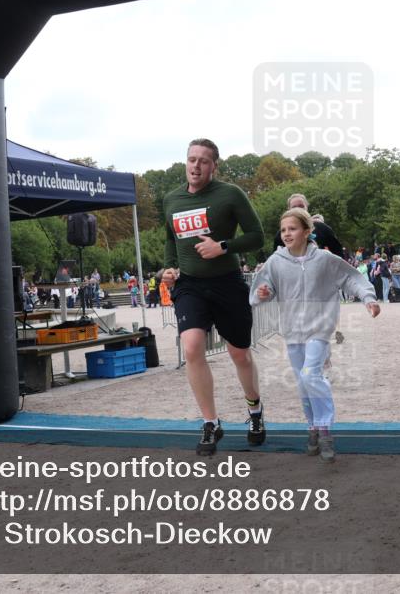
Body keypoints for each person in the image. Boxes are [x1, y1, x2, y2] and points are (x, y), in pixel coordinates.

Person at [161, 138, 266, 456]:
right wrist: (169, 267)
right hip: (190, 285)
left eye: (203, 161)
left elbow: (257, 236)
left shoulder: (230, 194)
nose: (195, 165)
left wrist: (222, 246)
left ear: (213, 166)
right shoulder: (171, 198)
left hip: (227, 283)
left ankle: (255, 411)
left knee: (240, 354)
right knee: (192, 347)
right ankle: (211, 422)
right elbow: (170, 237)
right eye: (191, 159)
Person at [251, 207, 380, 462]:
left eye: (293, 229)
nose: (287, 234)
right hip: (291, 331)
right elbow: (261, 290)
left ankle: (325, 430)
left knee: (311, 375)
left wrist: (368, 298)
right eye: (284, 229)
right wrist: (262, 294)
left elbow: (351, 279)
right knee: (302, 382)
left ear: (307, 232)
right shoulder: (275, 262)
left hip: (320, 328)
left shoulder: (324, 259)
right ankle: (312, 427)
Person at [271, 193, 345, 260]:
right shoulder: (282, 234)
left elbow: (338, 254)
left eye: (301, 206)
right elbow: (276, 258)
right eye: (294, 207)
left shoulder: (322, 228)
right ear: (289, 210)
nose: (298, 209)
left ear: (307, 208)